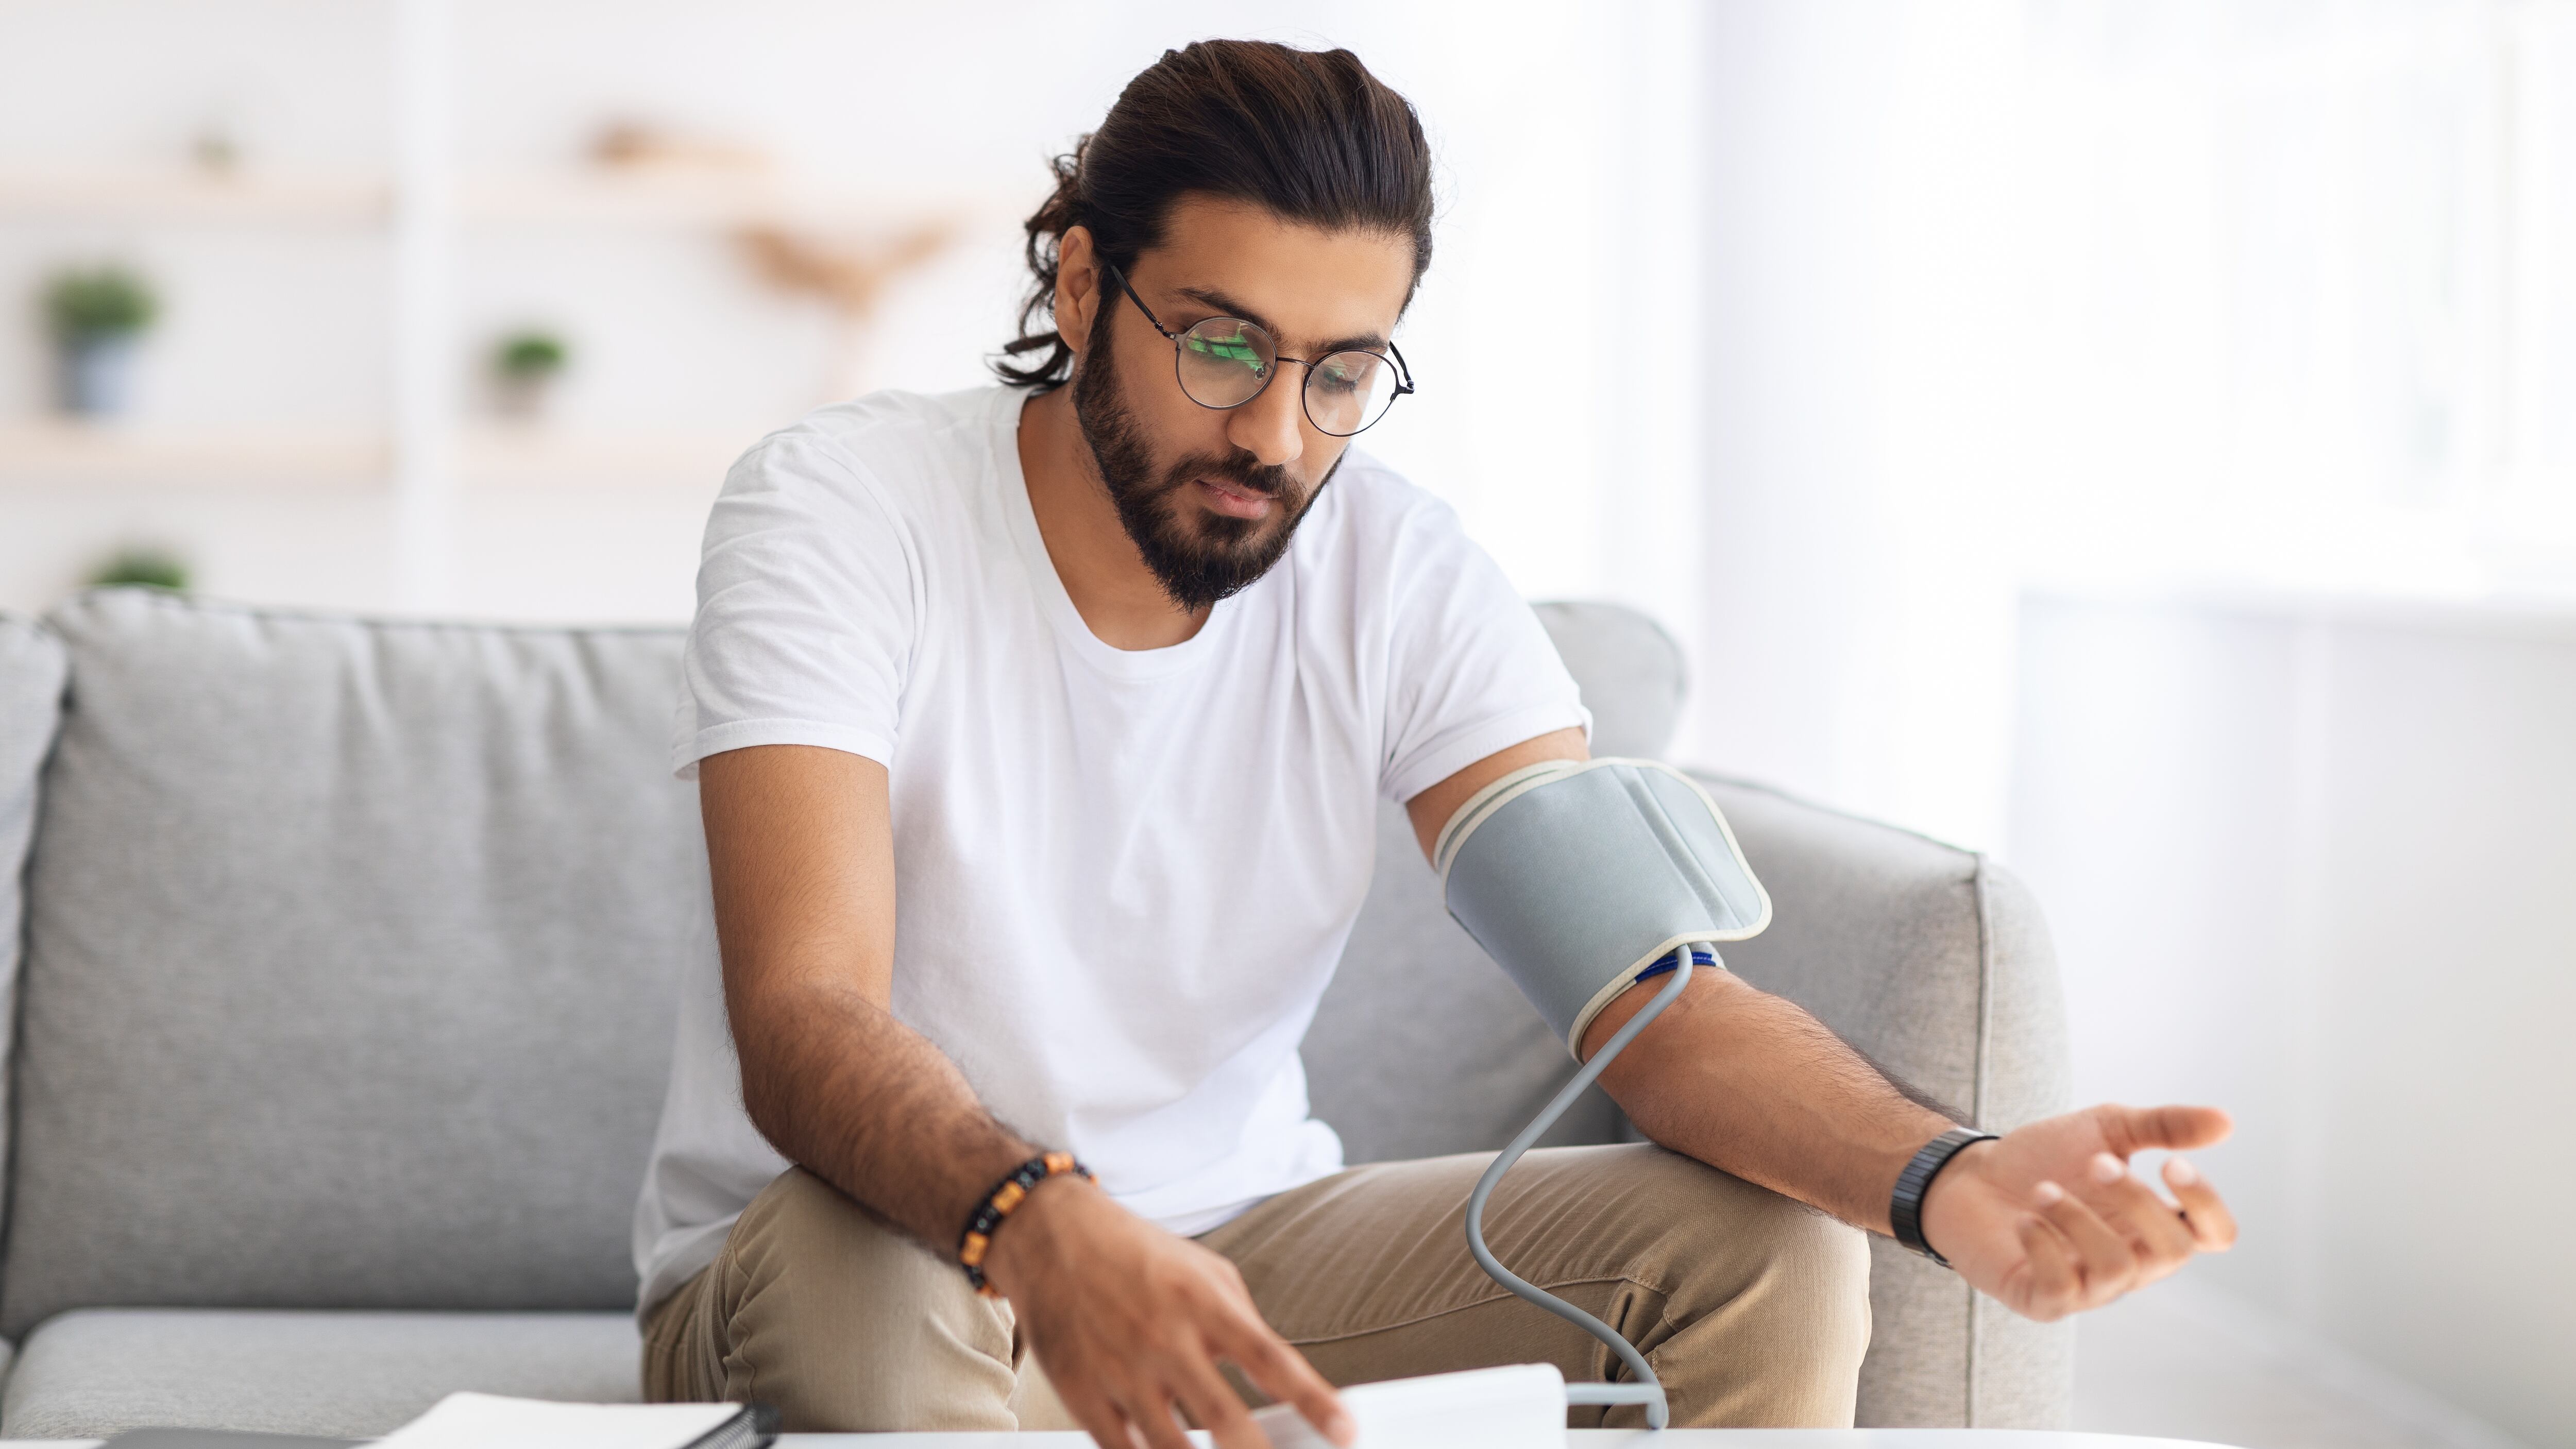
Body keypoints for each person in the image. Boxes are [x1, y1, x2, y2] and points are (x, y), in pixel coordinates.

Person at [632, 38, 2236, 1449]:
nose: (1274, 433)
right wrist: (1037, 1222)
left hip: (1231, 1242)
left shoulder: (1400, 573)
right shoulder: (842, 509)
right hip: (879, 1250)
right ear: (1074, 284)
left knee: (1772, 1247)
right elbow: (805, 1013)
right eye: (1220, 344)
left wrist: (1943, 1175)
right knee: (889, 1264)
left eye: (1340, 374)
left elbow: (1650, 1006)